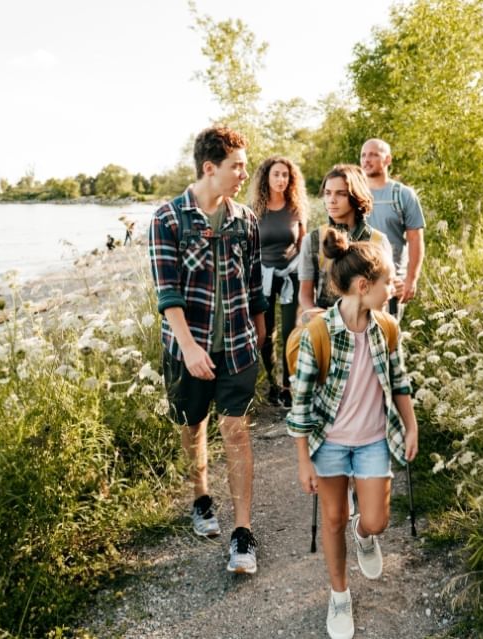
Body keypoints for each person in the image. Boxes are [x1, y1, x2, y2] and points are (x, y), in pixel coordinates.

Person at [287, 228, 419, 639]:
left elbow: (399, 383)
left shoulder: (387, 328)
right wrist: (303, 459)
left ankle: (364, 536)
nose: (391, 291)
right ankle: (339, 594)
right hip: (329, 442)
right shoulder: (317, 335)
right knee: (332, 518)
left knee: (377, 521)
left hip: (373, 440)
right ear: (364, 286)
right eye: (387, 284)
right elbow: (301, 403)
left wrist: (411, 427)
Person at [148, 126, 268, 575]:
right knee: (192, 424)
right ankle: (201, 498)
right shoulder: (168, 219)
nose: (244, 174)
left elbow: (254, 284)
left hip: (237, 347)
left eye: (244, 165)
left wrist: (260, 334)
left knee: (235, 431)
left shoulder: (246, 221)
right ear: (209, 167)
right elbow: (168, 295)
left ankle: (242, 532)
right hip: (187, 349)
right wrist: (190, 348)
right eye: (237, 166)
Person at [298, 164, 393, 319]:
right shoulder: (313, 240)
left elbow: (385, 295)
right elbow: (305, 295)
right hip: (326, 325)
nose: (331, 200)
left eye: (340, 194)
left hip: (368, 326)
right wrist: (321, 321)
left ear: (356, 196)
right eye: (327, 193)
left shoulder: (378, 241)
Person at [250, 156, 308, 408]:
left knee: (291, 332)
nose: (281, 179)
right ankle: (272, 384)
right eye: (276, 174)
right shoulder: (254, 208)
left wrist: (307, 279)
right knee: (266, 332)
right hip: (262, 277)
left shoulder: (296, 207)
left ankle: (287, 385)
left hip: (290, 275)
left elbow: (303, 245)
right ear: (266, 177)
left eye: (285, 174)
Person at [360, 138, 425, 318]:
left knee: (387, 339)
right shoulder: (353, 193)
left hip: (391, 282)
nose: (367, 159)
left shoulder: (403, 195)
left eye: (373, 154)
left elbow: (415, 240)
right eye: (363, 155)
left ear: (388, 159)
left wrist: (411, 280)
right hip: (357, 281)